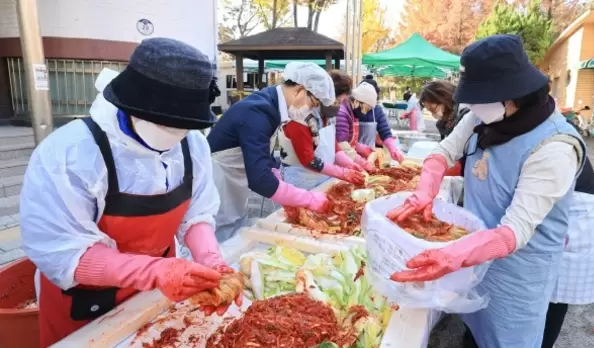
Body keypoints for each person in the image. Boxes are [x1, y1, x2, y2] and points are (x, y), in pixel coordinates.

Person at [20, 38, 238, 347]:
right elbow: (64, 252)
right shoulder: (70, 154)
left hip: (157, 290)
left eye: (184, 126)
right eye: (166, 124)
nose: (175, 134)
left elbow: (198, 213)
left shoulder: (193, 145)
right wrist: (154, 271)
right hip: (82, 299)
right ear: (130, 105)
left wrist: (210, 259)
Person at [387, 35, 586, 348]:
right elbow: (442, 153)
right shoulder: (482, 118)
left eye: (480, 96)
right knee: (474, 331)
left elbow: (512, 233)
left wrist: (452, 254)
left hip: (517, 275)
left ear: (512, 94)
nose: (472, 105)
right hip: (476, 259)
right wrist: (425, 191)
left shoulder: (555, 147)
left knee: (505, 340)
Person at [207, 62, 334, 242]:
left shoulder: (271, 106)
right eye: (312, 103)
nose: (310, 110)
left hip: (235, 180)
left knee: (234, 227)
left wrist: (275, 173)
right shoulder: (258, 111)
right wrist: (307, 198)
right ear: (299, 89)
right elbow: (260, 180)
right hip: (219, 181)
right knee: (219, 234)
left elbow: (260, 155)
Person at [540, 125, 594, 348]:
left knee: (554, 298)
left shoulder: (553, 139)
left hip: (579, 221)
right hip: (559, 214)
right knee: (540, 295)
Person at [280, 70, 366, 190]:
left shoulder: (328, 116)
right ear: (323, 96)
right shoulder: (299, 116)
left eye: (341, 103)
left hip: (323, 178)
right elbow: (308, 160)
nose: (338, 107)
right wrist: (342, 172)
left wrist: (350, 164)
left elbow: (333, 146)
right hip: (299, 182)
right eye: (336, 102)